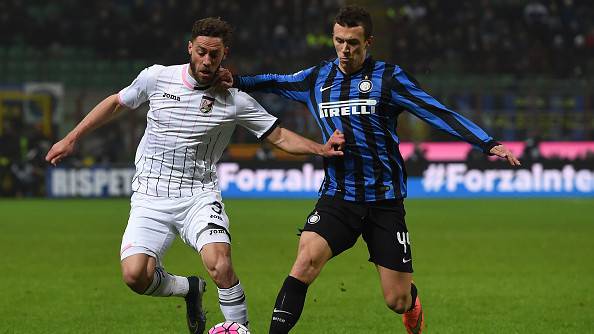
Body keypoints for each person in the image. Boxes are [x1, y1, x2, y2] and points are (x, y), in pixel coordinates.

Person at [223, 5, 521, 334]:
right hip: (339, 197)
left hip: (383, 200)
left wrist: (486, 142)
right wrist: (238, 80)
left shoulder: (389, 78)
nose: (345, 49)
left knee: (397, 300)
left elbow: (435, 110)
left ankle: (412, 300)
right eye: (339, 41)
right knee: (305, 261)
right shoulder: (317, 78)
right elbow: (276, 82)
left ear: (369, 42)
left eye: (353, 42)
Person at [45, 17, 345, 334]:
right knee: (135, 276)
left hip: (198, 195)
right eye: (201, 51)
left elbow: (279, 135)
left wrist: (321, 149)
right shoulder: (157, 78)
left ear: (224, 54)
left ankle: (239, 328)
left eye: (214, 54)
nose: (206, 60)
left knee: (220, 263)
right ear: (190, 48)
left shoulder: (235, 100)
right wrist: (72, 137)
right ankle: (190, 289)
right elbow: (116, 103)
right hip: (150, 195)